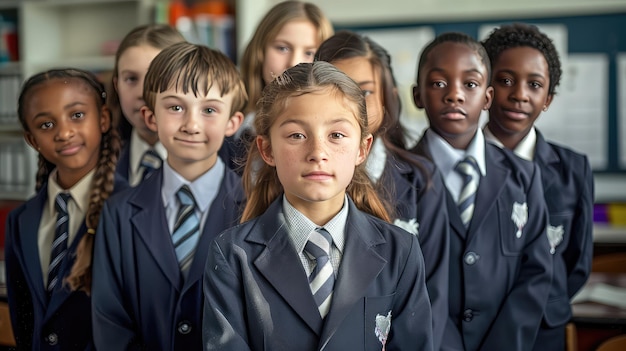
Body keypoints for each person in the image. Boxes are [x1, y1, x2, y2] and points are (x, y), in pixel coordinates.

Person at [202, 61, 434, 350]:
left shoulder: (401, 251)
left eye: (336, 135)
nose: (317, 153)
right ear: (267, 149)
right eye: (297, 135)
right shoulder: (231, 254)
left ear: (362, 148)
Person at [91, 42, 247, 350]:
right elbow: (109, 321)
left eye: (210, 110)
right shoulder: (118, 212)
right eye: (175, 107)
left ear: (233, 123)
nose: (191, 124)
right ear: (151, 117)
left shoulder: (257, 207)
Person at [409, 32, 553, 350]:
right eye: (438, 84)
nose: (455, 95)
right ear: (417, 96)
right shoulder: (397, 180)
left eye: (470, 84)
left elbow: (536, 272)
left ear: (488, 98)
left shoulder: (524, 176)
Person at [315, 30, 449, 350]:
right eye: (336, 92)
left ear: (386, 96)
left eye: (364, 92)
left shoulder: (421, 178)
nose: (351, 106)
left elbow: (435, 293)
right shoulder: (304, 178)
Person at [482, 23, 594, 351]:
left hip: (544, 329)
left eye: (534, 84)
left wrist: (542, 302)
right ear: (485, 88)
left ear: (547, 98)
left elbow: (576, 261)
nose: (519, 94)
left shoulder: (573, 169)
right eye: (505, 80)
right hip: (473, 328)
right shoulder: (457, 165)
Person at [5, 68, 126, 350]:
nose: (64, 132)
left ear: (104, 119)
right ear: (32, 140)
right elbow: (24, 319)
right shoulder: (20, 220)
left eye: (77, 115)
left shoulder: (131, 210)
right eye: (46, 125)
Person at [221, 0, 334, 173]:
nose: (294, 63)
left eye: (309, 52)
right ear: (260, 52)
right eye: (282, 48)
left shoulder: (337, 136)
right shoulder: (227, 130)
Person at [110, 24, 186, 186]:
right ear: (117, 85)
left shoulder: (230, 161)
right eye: (131, 79)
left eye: (158, 78)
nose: (142, 93)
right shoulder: (100, 159)